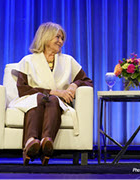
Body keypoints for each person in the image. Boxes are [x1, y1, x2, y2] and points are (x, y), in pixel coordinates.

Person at [9, 22, 93, 165]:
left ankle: (46, 142)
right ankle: (31, 142)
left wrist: (74, 85)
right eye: (57, 37)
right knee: (40, 99)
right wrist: (52, 91)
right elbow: (23, 89)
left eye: (62, 38)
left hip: (57, 102)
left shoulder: (68, 61)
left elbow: (87, 81)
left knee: (53, 100)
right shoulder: (28, 60)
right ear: (46, 37)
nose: (61, 41)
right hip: (32, 99)